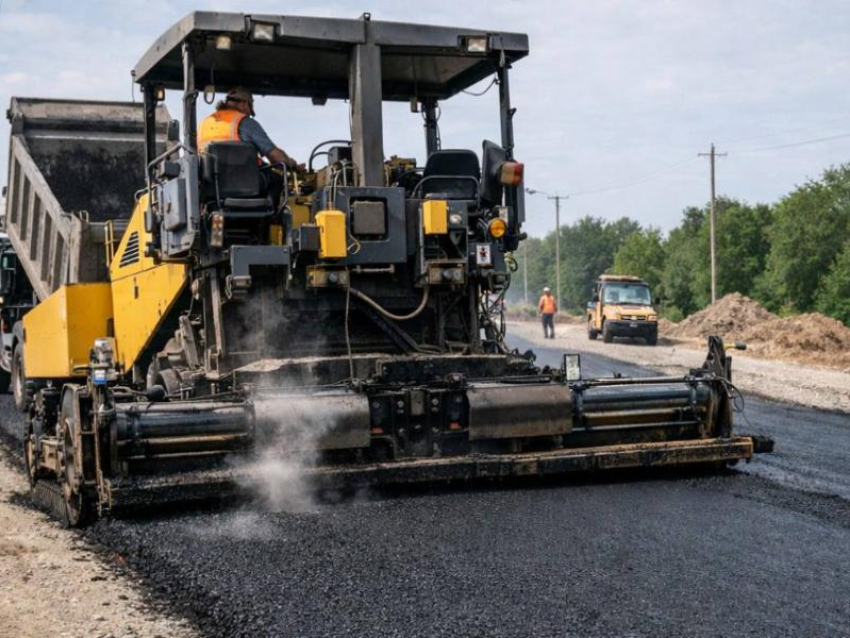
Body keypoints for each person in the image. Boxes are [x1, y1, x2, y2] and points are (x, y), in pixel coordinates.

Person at [197, 87, 303, 208]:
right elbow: (276, 157)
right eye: (249, 111)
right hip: (244, 187)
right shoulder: (245, 122)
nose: (248, 114)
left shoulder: (203, 124)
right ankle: (268, 216)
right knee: (277, 180)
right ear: (245, 104)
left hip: (210, 190)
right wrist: (292, 164)